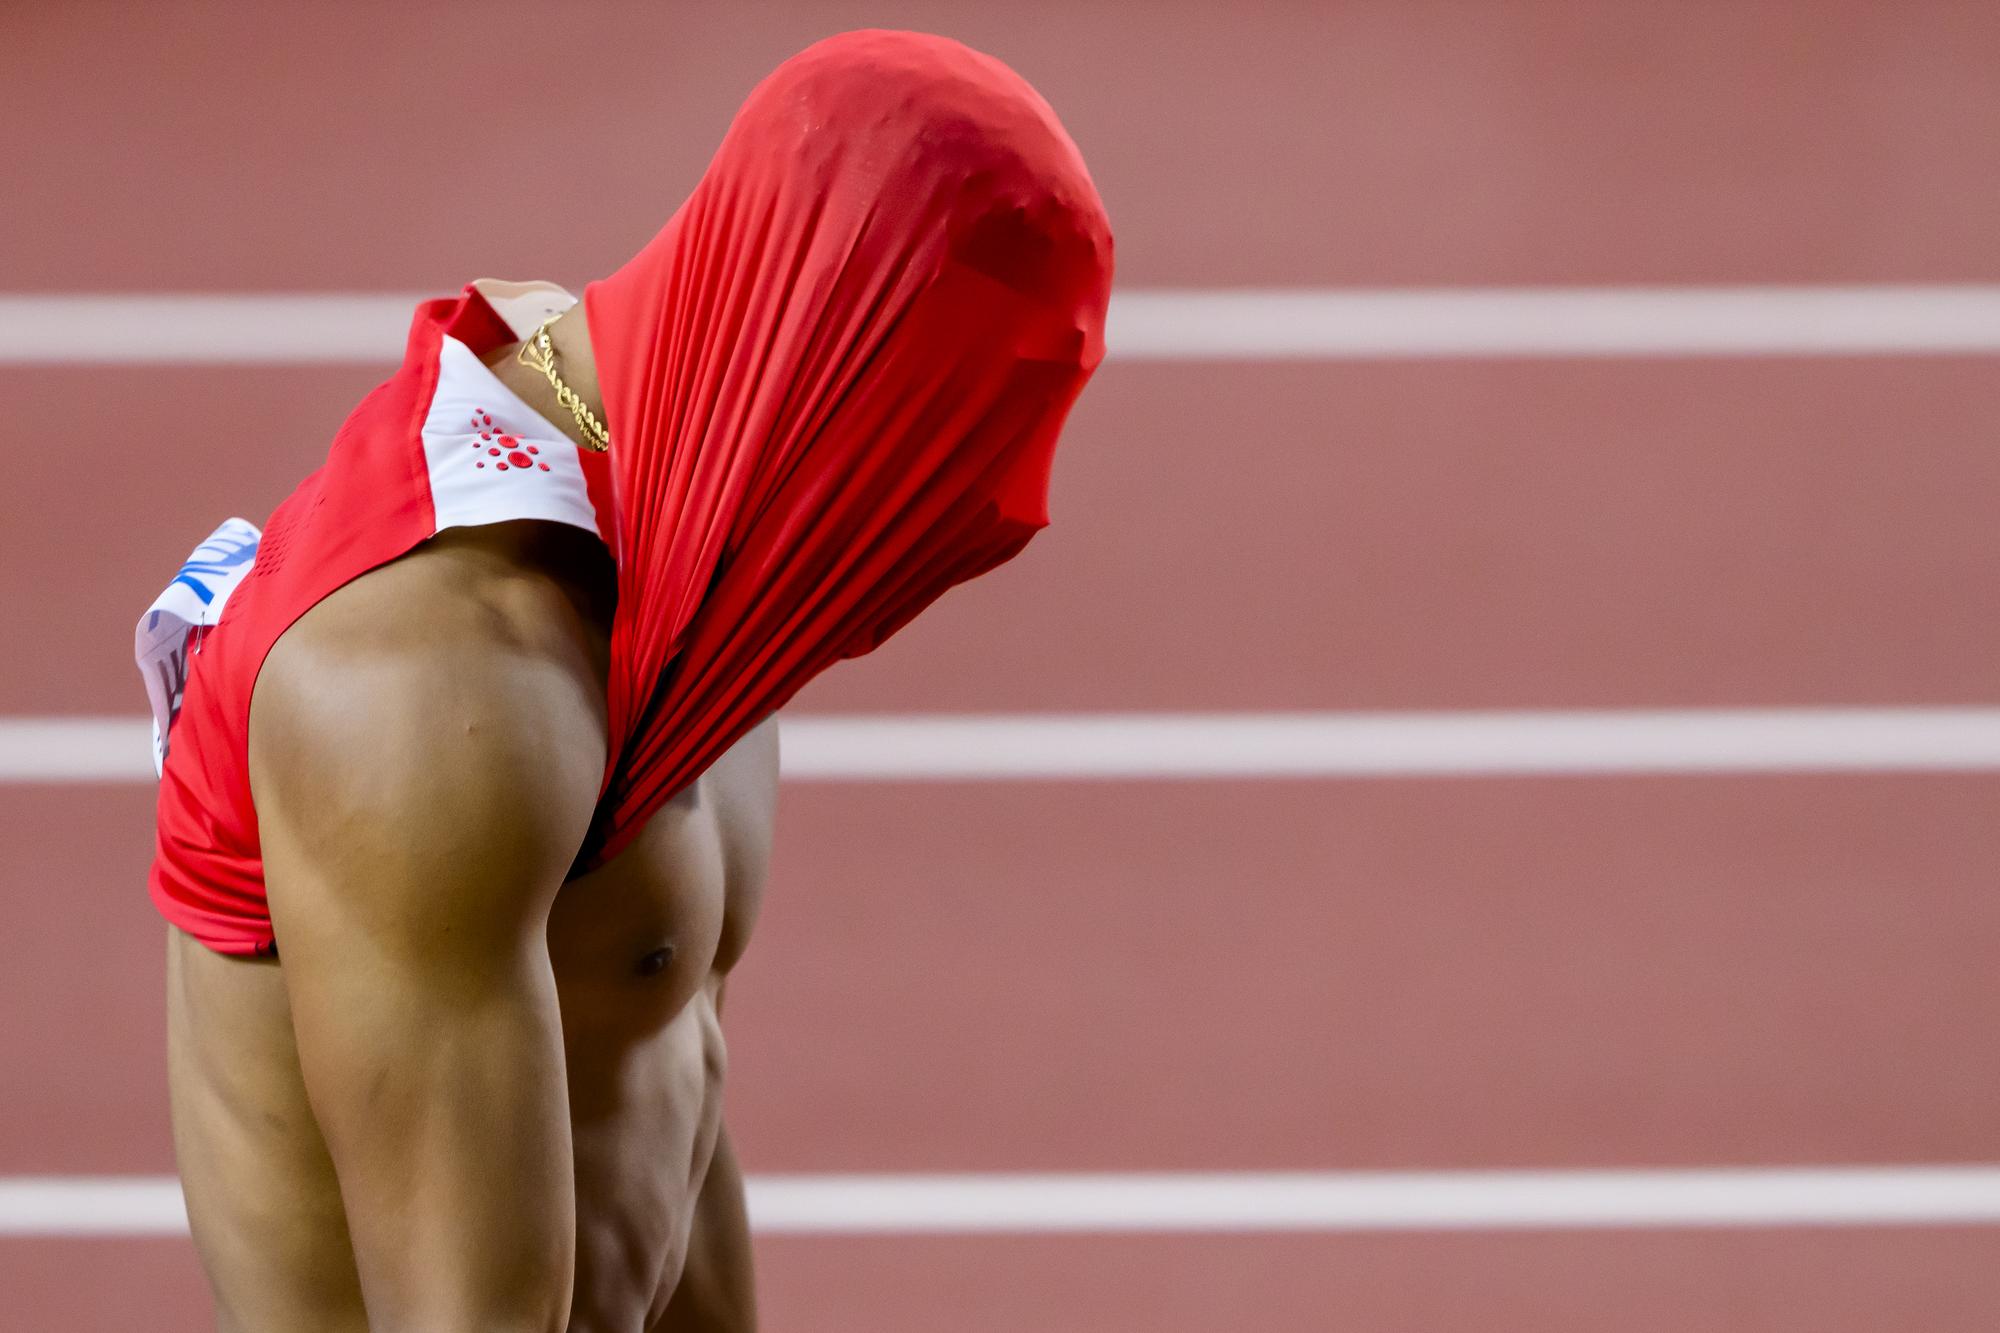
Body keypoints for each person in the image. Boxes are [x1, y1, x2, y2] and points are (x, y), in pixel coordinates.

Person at [140, 30, 1112, 1332]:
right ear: (822, 354)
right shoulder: (437, 694)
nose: (986, 519)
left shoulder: (701, 513)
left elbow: (667, 1065)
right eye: (934, 456)